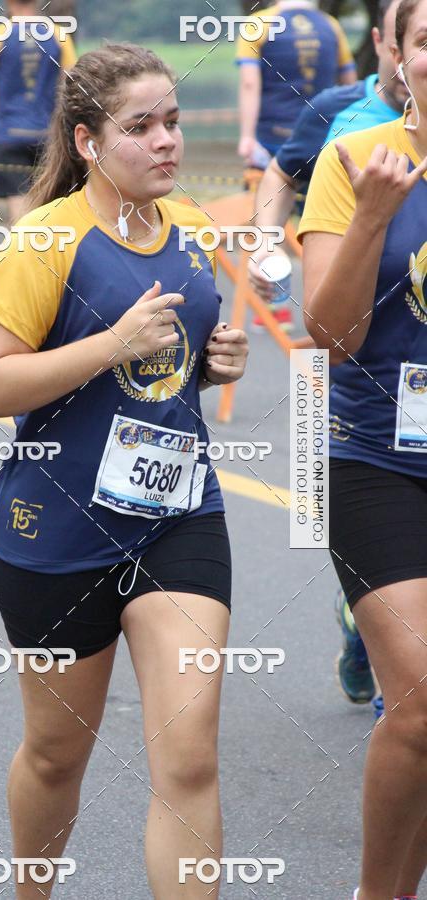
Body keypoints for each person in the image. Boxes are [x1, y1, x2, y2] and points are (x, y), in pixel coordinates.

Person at [0, 43, 249, 899]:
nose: (166, 141)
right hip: (56, 531)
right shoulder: (47, 241)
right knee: (57, 756)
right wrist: (108, 345)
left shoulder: (194, 229)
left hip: (178, 517)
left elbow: (165, 371)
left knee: (191, 754)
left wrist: (213, 362)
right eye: (141, 127)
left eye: (172, 121)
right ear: (88, 142)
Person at [299, 0, 427, 894]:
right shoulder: (355, 162)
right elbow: (330, 335)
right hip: (377, 459)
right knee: (419, 703)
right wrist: (377, 215)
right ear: (398, 57)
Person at [248, 0, 407, 337]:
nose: (406, 59)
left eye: (421, 43)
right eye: (398, 42)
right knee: (309, 378)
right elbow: (281, 172)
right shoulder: (331, 109)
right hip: (338, 317)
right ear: (379, 41)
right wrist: (266, 241)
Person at [0, 0, 77, 224]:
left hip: (9, 133)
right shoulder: (58, 34)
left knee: (19, 204)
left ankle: (22, 255)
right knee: (50, 203)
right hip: (49, 136)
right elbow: (71, 86)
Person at [236, 0, 357, 169]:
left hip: (273, 138)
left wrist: (247, 137)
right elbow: (349, 83)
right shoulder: (331, 25)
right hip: (321, 137)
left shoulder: (257, 23)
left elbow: (249, 84)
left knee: (267, 193)